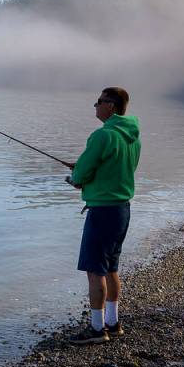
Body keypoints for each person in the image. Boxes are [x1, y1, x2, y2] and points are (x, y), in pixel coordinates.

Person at [64, 87, 141, 345]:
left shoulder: (102, 135)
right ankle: (113, 322)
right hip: (122, 209)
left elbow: (83, 172)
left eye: (98, 102)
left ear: (110, 105)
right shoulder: (132, 136)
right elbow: (113, 168)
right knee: (111, 268)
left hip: (103, 210)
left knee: (94, 270)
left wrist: (76, 179)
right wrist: (85, 174)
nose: (95, 106)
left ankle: (97, 330)